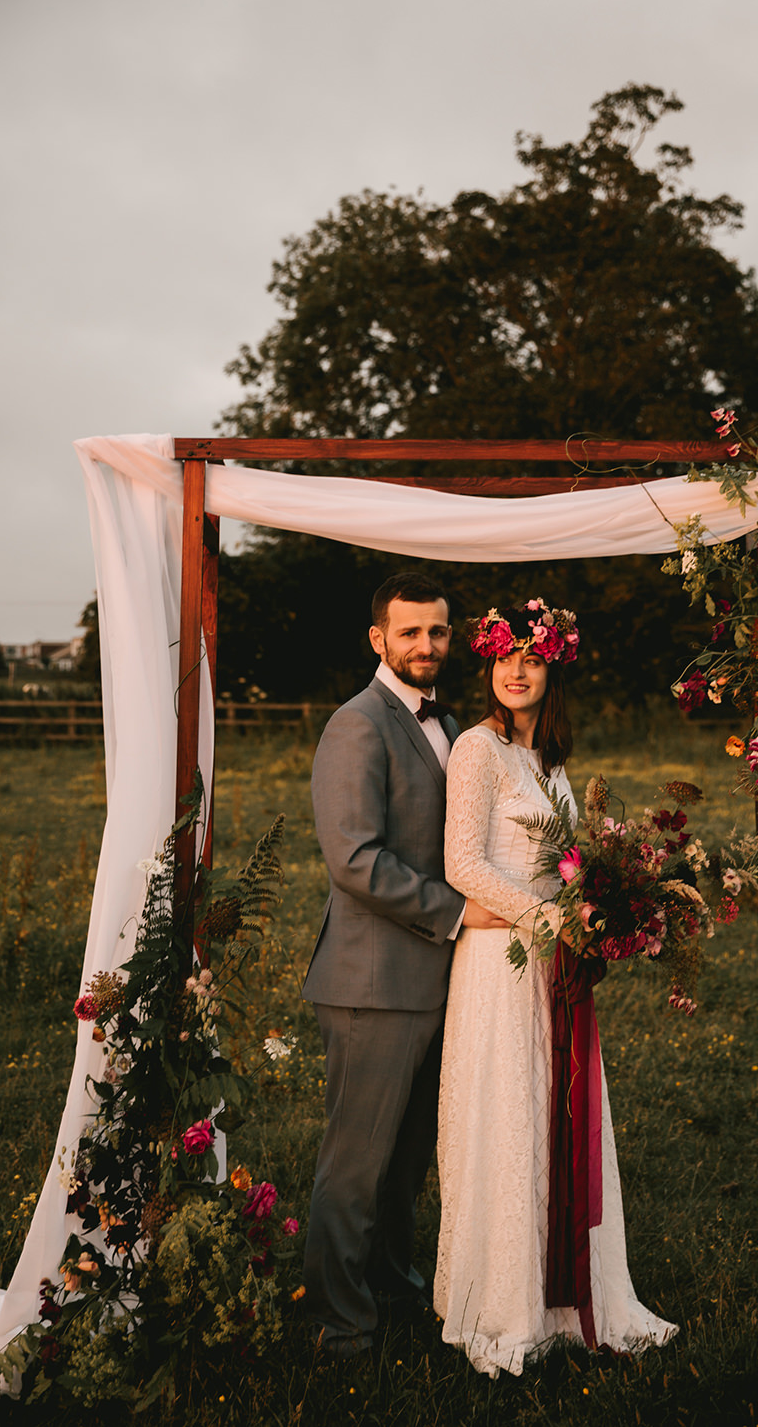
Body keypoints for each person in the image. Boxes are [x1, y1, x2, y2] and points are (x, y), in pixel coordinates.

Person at [434, 596, 677, 1377]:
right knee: (509, 1119)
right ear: (488, 664)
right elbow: (462, 864)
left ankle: (568, 1296)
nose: (516, 670)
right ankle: (504, 1301)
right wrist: (553, 920)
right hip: (500, 963)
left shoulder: (551, 762)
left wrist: (603, 909)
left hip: (555, 964)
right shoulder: (476, 749)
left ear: (553, 670)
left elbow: (569, 863)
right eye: (505, 657)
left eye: (532, 659)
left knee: (554, 1115)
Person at [302, 572, 508, 1355]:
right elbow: (355, 858)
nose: (427, 644)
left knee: (408, 1155)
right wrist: (459, 912)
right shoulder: (357, 725)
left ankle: (391, 1280)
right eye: (411, 631)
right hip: (373, 981)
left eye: (439, 631)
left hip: (435, 979)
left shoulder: (447, 722)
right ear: (378, 639)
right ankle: (338, 1319)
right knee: (357, 1161)